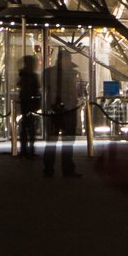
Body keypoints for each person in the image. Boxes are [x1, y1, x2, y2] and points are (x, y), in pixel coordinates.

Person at [42, 48, 86, 179]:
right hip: (61, 109)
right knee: (58, 140)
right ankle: (60, 169)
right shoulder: (67, 73)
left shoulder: (51, 73)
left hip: (63, 109)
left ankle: (53, 169)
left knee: (59, 140)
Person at [16, 52, 41, 159]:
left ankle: (25, 149)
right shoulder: (30, 76)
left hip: (26, 102)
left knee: (27, 127)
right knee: (30, 127)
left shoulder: (23, 75)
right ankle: (28, 149)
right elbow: (36, 88)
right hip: (29, 102)